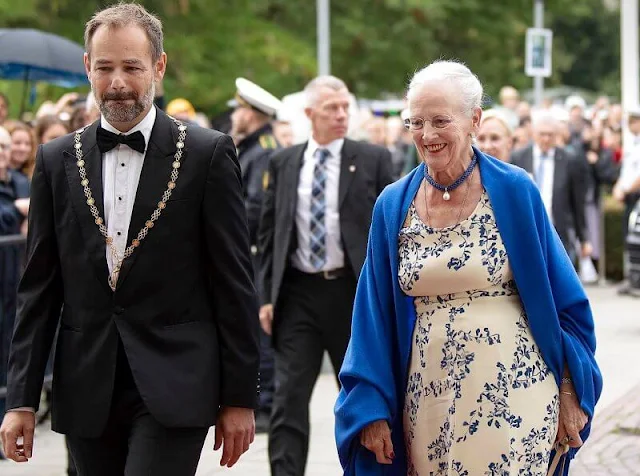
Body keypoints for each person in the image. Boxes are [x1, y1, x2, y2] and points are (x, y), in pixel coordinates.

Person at [0, 4, 260, 475]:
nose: (117, 82)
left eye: (132, 67)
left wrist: (240, 396)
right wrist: (20, 397)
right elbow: (38, 290)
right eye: (105, 68)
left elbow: (234, 284)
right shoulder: (56, 161)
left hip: (177, 380)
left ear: (158, 67)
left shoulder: (206, 154)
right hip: (85, 385)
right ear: (87, 68)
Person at [335, 60, 602, 475]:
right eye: (416, 122)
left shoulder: (514, 191)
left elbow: (566, 303)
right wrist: (368, 404)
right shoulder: (392, 204)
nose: (427, 135)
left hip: (517, 398)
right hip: (426, 404)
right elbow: (371, 315)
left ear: (474, 119)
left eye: (440, 120)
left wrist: (570, 391)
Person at [258, 75, 393, 476]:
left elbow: (391, 230)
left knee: (359, 397)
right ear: (309, 113)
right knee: (288, 399)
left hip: (351, 295)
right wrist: (267, 296)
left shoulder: (372, 158)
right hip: (298, 293)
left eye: (345, 107)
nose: (340, 115)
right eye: (331, 108)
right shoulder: (283, 162)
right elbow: (271, 233)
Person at [229, 77, 282, 433]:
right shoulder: (251, 147)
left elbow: (255, 208)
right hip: (248, 253)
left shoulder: (262, 150)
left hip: (254, 254)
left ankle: (266, 404)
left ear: (252, 113)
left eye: (239, 110)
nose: (235, 116)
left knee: (260, 332)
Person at [511, 115, 591, 265]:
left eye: (550, 135)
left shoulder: (569, 160)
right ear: (534, 134)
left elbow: (577, 202)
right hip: (527, 230)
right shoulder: (519, 157)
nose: (546, 139)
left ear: (557, 136)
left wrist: (584, 238)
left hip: (559, 232)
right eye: (542, 134)